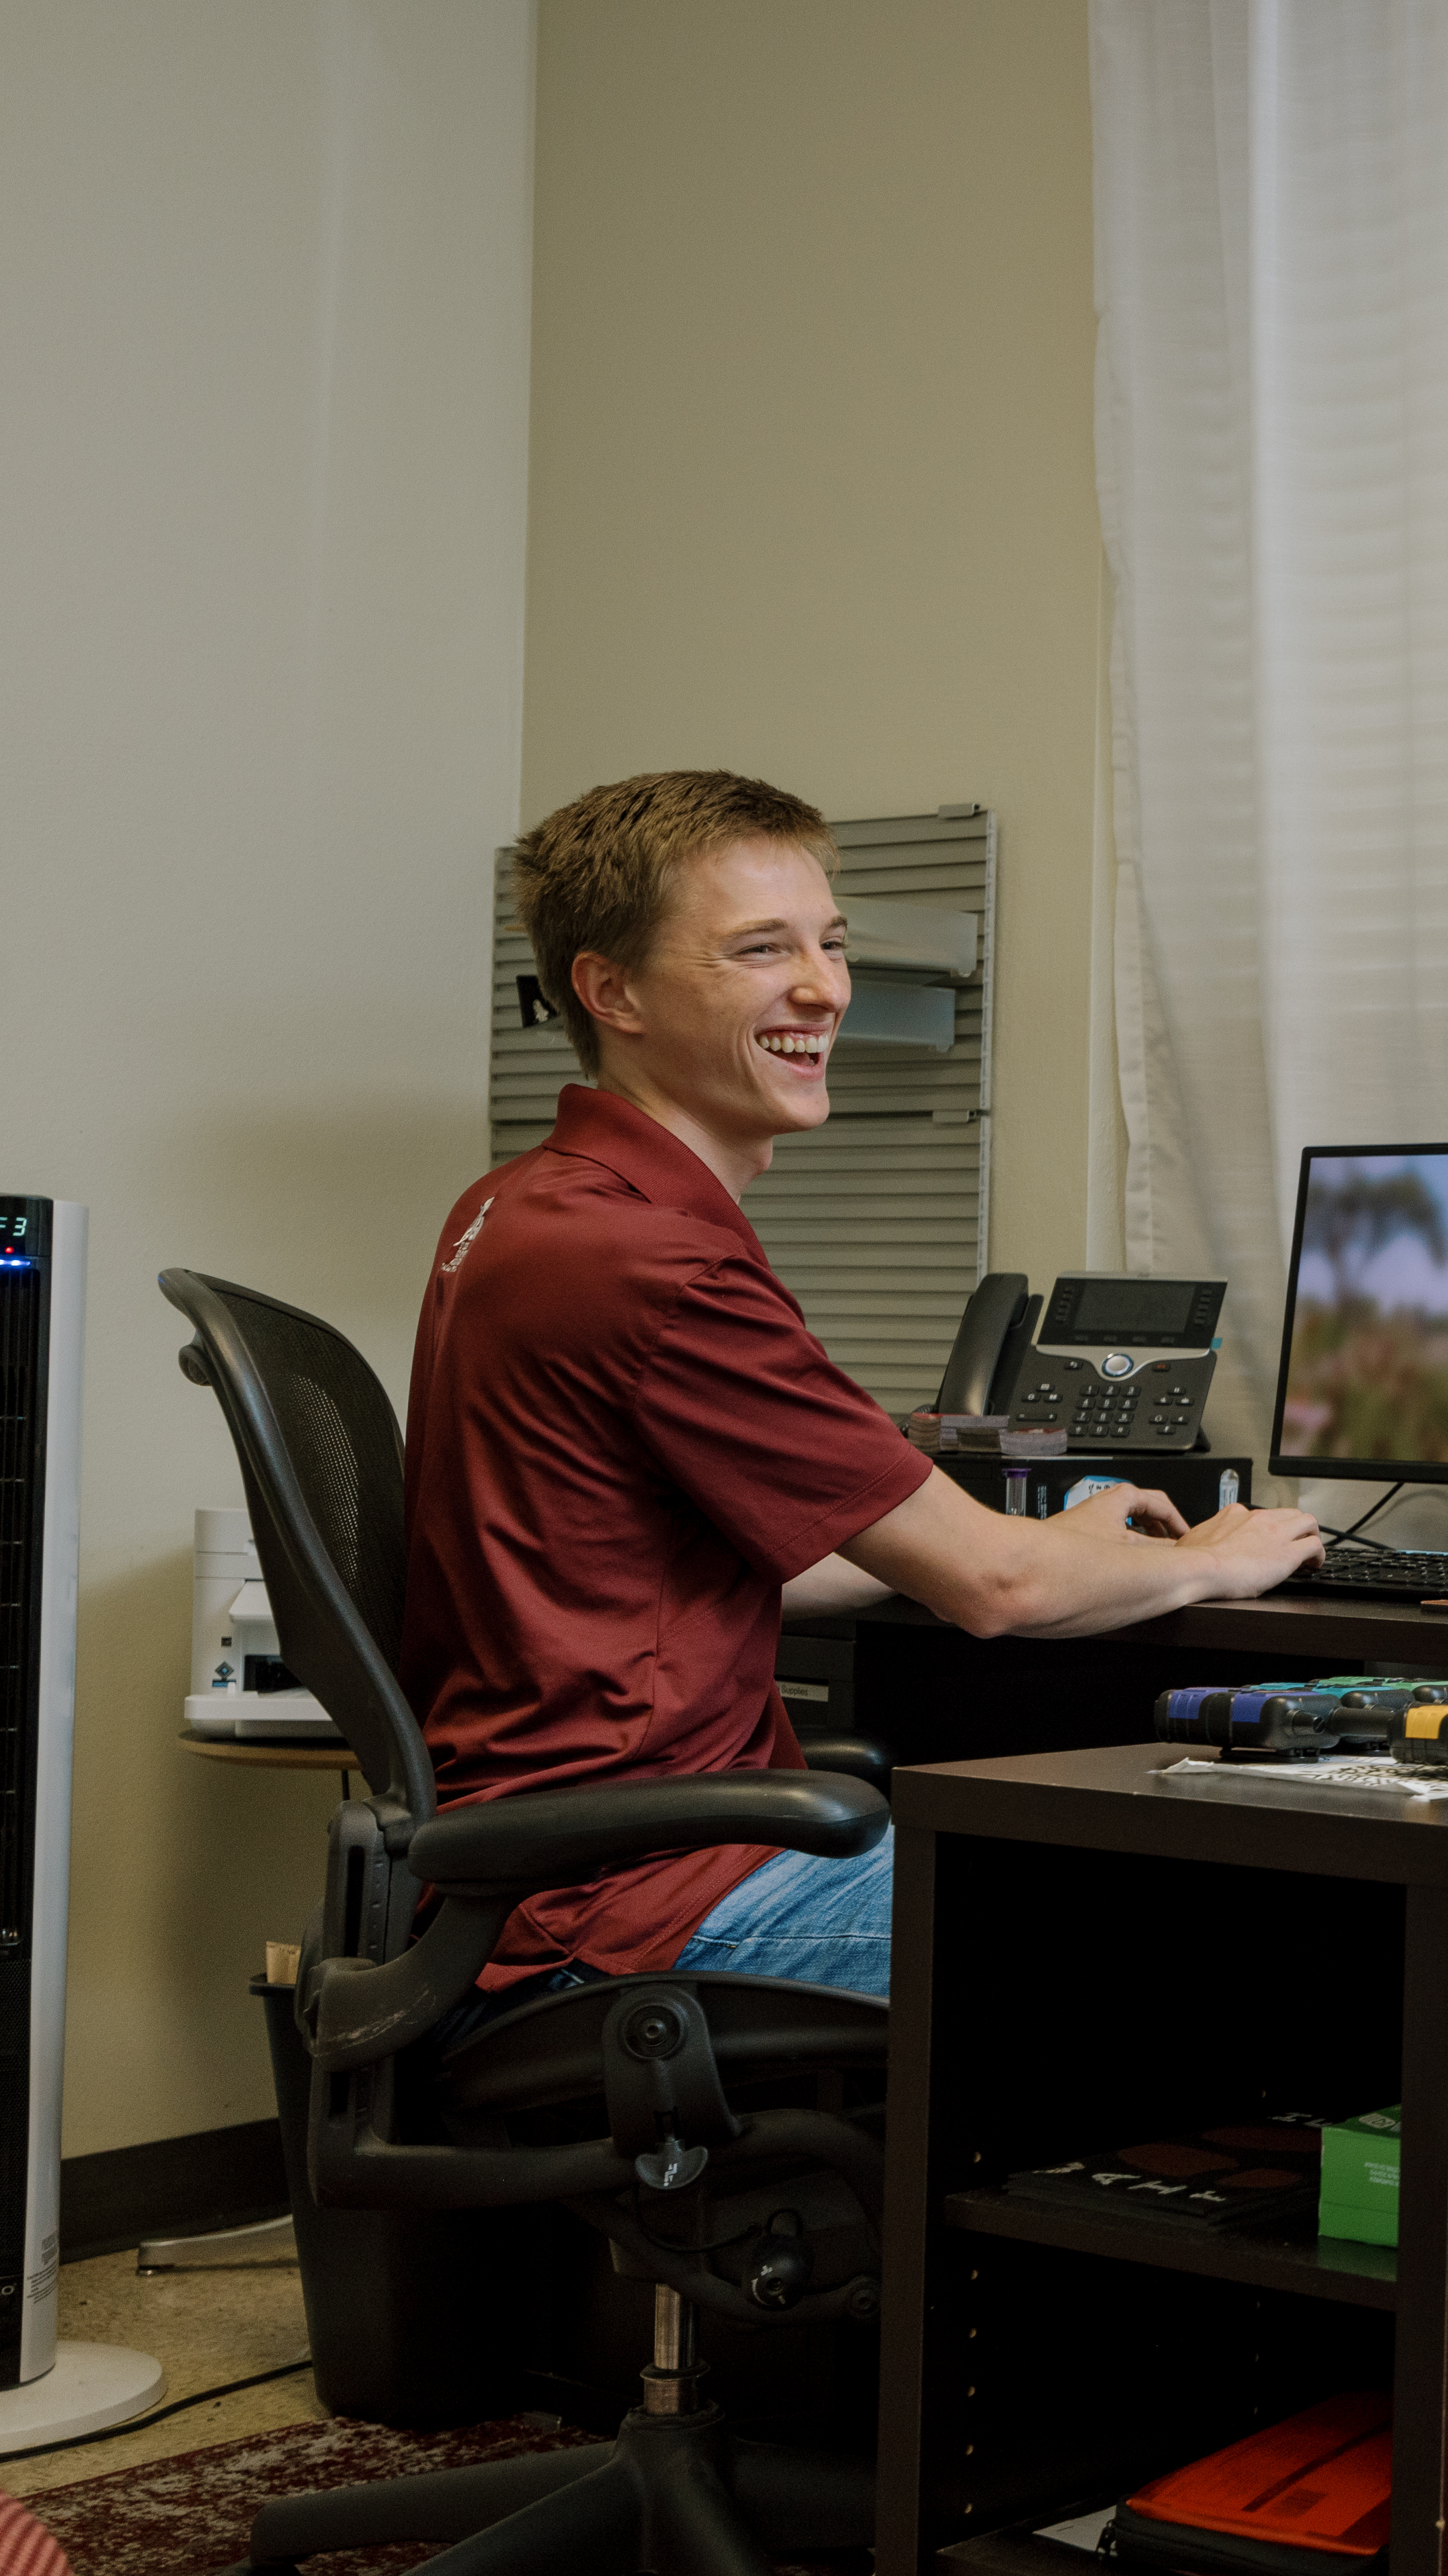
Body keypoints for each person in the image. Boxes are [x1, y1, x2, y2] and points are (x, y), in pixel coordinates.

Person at [402, 769, 1320, 2003]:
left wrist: (1036, 1535)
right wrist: (1219, 1554)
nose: (824, 988)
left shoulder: (525, 1204)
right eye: (759, 949)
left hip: (588, 1866)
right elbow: (997, 1591)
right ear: (610, 989)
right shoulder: (645, 1258)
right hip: (646, 1897)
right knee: (1257, 1907)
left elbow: (738, 1554)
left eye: (830, 944)